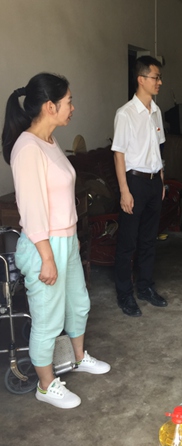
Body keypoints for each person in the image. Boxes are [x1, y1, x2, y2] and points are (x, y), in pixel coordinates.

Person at [1, 73, 111, 409]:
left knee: (78, 304)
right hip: (43, 247)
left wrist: (71, 241)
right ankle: (46, 386)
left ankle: (78, 358)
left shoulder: (49, 142)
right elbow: (32, 209)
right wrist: (47, 258)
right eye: (68, 102)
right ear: (50, 106)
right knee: (47, 320)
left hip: (66, 240)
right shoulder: (27, 148)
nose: (72, 108)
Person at [112, 56, 167, 317]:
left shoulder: (156, 111)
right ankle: (125, 294)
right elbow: (119, 154)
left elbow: (158, 148)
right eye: (156, 77)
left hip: (154, 182)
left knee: (148, 240)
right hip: (134, 182)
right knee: (127, 242)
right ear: (141, 79)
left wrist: (162, 180)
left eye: (159, 77)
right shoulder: (125, 114)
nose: (159, 82)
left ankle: (145, 287)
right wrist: (124, 191)